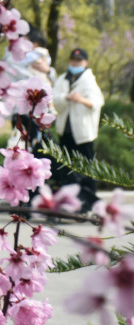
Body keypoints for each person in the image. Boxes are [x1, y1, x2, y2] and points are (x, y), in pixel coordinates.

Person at [52, 47, 105, 213]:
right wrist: (66, 98)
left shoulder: (89, 80)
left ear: (85, 63)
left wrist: (80, 99)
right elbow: (54, 99)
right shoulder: (62, 79)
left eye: (79, 61)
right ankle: (70, 203)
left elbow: (97, 102)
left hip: (83, 134)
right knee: (67, 169)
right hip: (66, 132)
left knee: (86, 168)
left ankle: (89, 203)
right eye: (73, 61)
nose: (75, 64)